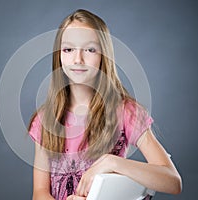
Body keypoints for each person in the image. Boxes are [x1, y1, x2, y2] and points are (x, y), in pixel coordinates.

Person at [28, 9, 182, 200]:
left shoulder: (126, 112)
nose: (78, 59)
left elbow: (173, 181)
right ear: (58, 55)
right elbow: (39, 192)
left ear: (104, 56)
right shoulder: (45, 119)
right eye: (68, 49)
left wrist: (113, 163)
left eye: (90, 50)